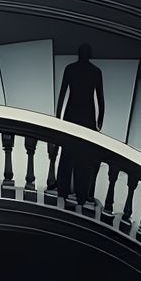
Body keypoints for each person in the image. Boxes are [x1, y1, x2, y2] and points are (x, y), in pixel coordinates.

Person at [54, 44, 104, 202]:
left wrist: (58, 118)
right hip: (87, 117)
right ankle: (81, 194)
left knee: (67, 154)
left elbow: (62, 94)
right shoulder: (95, 71)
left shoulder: (70, 69)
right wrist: (99, 123)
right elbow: (101, 99)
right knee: (83, 158)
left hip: (72, 114)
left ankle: (63, 190)